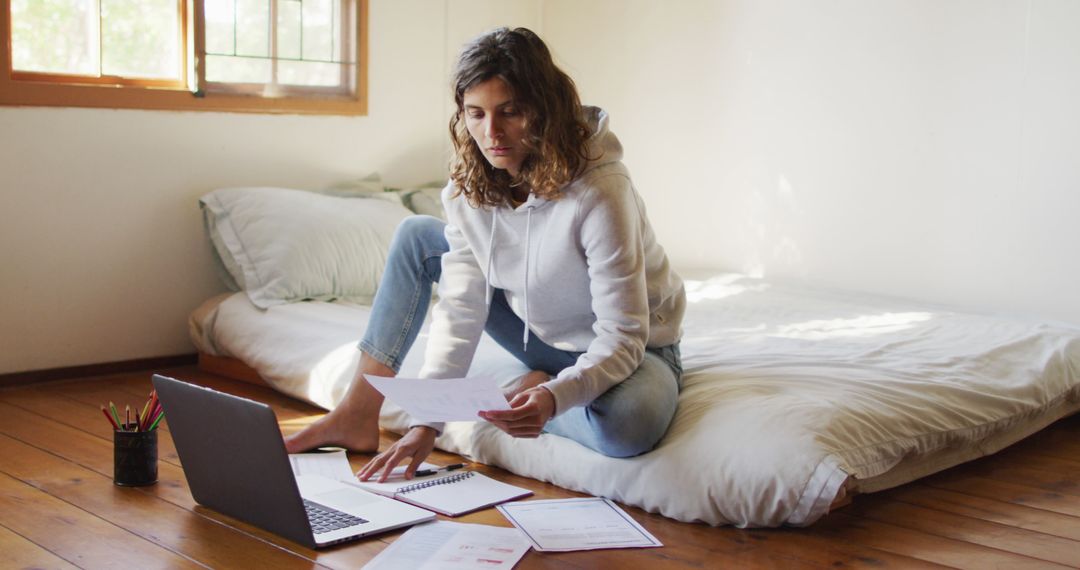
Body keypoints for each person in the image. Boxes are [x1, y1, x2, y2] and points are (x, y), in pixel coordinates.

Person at [285, 27, 686, 482]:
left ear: (545, 109)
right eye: (475, 114)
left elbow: (624, 334)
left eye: (510, 112)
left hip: (636, 347)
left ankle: (537, 392)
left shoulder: (600, 190)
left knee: (628, 428)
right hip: (538, 335)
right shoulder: (469, 186)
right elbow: (462, 305)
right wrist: (426, 422)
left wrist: (555, 397)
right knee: (418, 235)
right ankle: (356, 411)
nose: (491, 133)